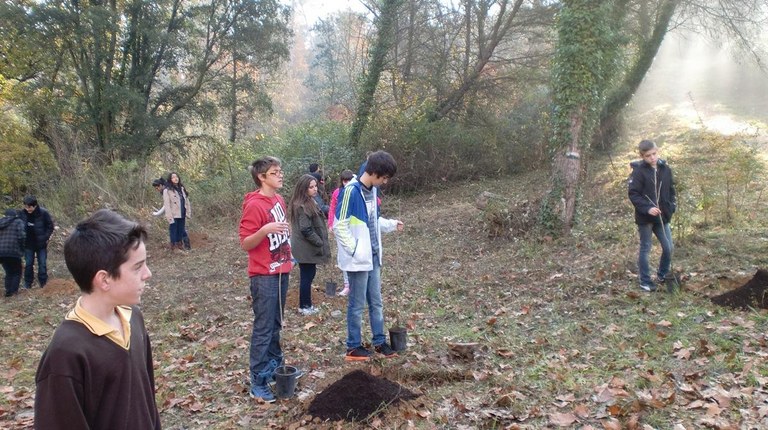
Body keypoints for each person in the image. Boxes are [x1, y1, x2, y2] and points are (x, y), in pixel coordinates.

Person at [34, 209, 160, 429]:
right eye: (138, 267)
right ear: (104, 280)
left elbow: (147, 402)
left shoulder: (133, 318)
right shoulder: (66, 354)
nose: (147, 274)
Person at [333, 150, 404, 361]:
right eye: (384, 178)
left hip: (373, 256)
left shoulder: (372, 191)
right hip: (357, 260)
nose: (385, 182)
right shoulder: (350, 192)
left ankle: (379, 342)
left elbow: (373, 221)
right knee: (356, 305)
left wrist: (391, 224)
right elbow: (339, 226)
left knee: (376, 302)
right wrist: (355, 250)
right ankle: (353, 346)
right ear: (374, 172)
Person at [239, 156, 293, 403]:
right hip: (263, 275)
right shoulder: (254, 205)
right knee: (263, 328)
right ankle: (258, 381)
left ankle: (274, 369)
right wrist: (264, 230)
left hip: (282, 270)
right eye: (274, 172)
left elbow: (282, 230)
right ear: (261, 177)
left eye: (280, 171)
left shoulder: (279, 199)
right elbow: (245, 243)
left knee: (276, 324)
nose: (280, 175)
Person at [628, 139, 676, 292]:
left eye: (654, 154)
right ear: (642, 156)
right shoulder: (638, 172)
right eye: (648, 156)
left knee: (669, 247)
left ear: (657, 151)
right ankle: (645, 281)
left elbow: (671, 190)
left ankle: (662, 275)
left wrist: (671, 206)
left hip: (662, 217)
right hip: (645, 218)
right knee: (646, 248)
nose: (652, 158)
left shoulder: (665, 169)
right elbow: (633, 194)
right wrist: (648, 208)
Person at [288, 174, 331, 316]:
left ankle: (306, 304)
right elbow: (305, 229)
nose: (315, 189)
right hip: (305, 248)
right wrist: (319, 242)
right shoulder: (302, 205)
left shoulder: (309, 201)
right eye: (311, 187)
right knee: (307, 277)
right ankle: (305, 306)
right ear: (303, 188)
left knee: (309, 275)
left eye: (315, 186)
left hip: (306, 247)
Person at [327, 170, 355, 296]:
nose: (347, 183)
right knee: (343, 255)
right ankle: (347, 284)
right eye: (345, 181)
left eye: (349, 180)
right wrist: (331, 224)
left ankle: (355, 283)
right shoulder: (337, 193)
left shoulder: (356, 191)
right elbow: (332, 208)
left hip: (354, 227)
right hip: (341, 226)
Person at [18, 195, 54, 289]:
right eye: (26, 207)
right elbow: (19, 226)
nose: (28, 209)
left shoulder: (43, 213)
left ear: (35, 205)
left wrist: (45, 237)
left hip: (40, 244)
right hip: (28, 244)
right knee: (28, 264)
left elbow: (50, 226)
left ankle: (43, 283)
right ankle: (28, 283)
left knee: (42, 264)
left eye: (29, 207)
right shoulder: (22, 213)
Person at [152, 177, 191, 250]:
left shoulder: (168, 190)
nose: (157, 190)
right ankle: (183, 245)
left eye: (157, 188)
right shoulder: (167, 189)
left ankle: (176, 246)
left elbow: (168, 204)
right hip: (176, 212)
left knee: (175, 229)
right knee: (179, 228)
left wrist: (156, 213)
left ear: (161, 185)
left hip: (177, 213)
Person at [162, 172, 191, 250]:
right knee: (173, 230)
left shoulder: (182, 189)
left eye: (176, 177)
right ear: (170, 179)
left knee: (181, 230)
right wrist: (169, 216)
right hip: (173, 214)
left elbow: (187, 201)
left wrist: (188, 212)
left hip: (182, 213)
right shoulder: (167, 190)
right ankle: (173, 247)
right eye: (173, 177)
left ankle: (180, 246)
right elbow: (167, 205)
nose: (175, 178)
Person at [0, 209, 26, 297]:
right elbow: (21, 236)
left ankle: (8, 291)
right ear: (15, 215)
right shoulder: (18, 222)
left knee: (8, 272)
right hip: (14, 251)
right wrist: (22, 249)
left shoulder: (1, 222)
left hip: (1, 252)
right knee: (17, 272)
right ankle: (13, 292)